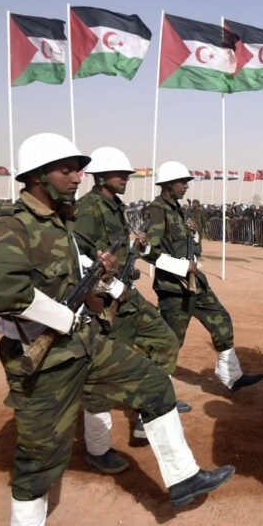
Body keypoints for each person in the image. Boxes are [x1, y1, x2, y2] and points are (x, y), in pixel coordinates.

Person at [0, 134, 233, 526]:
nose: (78, 177)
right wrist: (61, 314)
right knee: (41, 457)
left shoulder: (61, 222)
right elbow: (0, 290)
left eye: (79, 169)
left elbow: (75, 282)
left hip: (85, 344)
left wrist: (101, 285)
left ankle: (184, 477)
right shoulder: (12, 225)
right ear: (37, 176)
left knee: (154, 385)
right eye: (67, 169)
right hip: (43, 360)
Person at [73, 148, 190, 465]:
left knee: (164, 341)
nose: (126, 178)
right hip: (105, 300)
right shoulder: (87, 209)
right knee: (104, 375)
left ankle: (149, 410)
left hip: (128, 293)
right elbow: (75, 255)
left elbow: (134, 248)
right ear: (101, 177)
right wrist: (99, 273)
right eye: (120, 174)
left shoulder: (115, 207)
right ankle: (98, 449)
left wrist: (136, 241)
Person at [143, 162, 263, 394]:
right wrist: (180, 266)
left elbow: (189, 247)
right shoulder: (157, 209)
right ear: (168, 184)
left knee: (221, 321)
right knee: (169, 344)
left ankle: (231, 375)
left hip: (195, 284)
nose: (186, 186)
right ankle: (153, 400)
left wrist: (195, 234)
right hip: (174, 289)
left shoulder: (177, 210)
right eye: (182, 182)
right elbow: (147, 249)